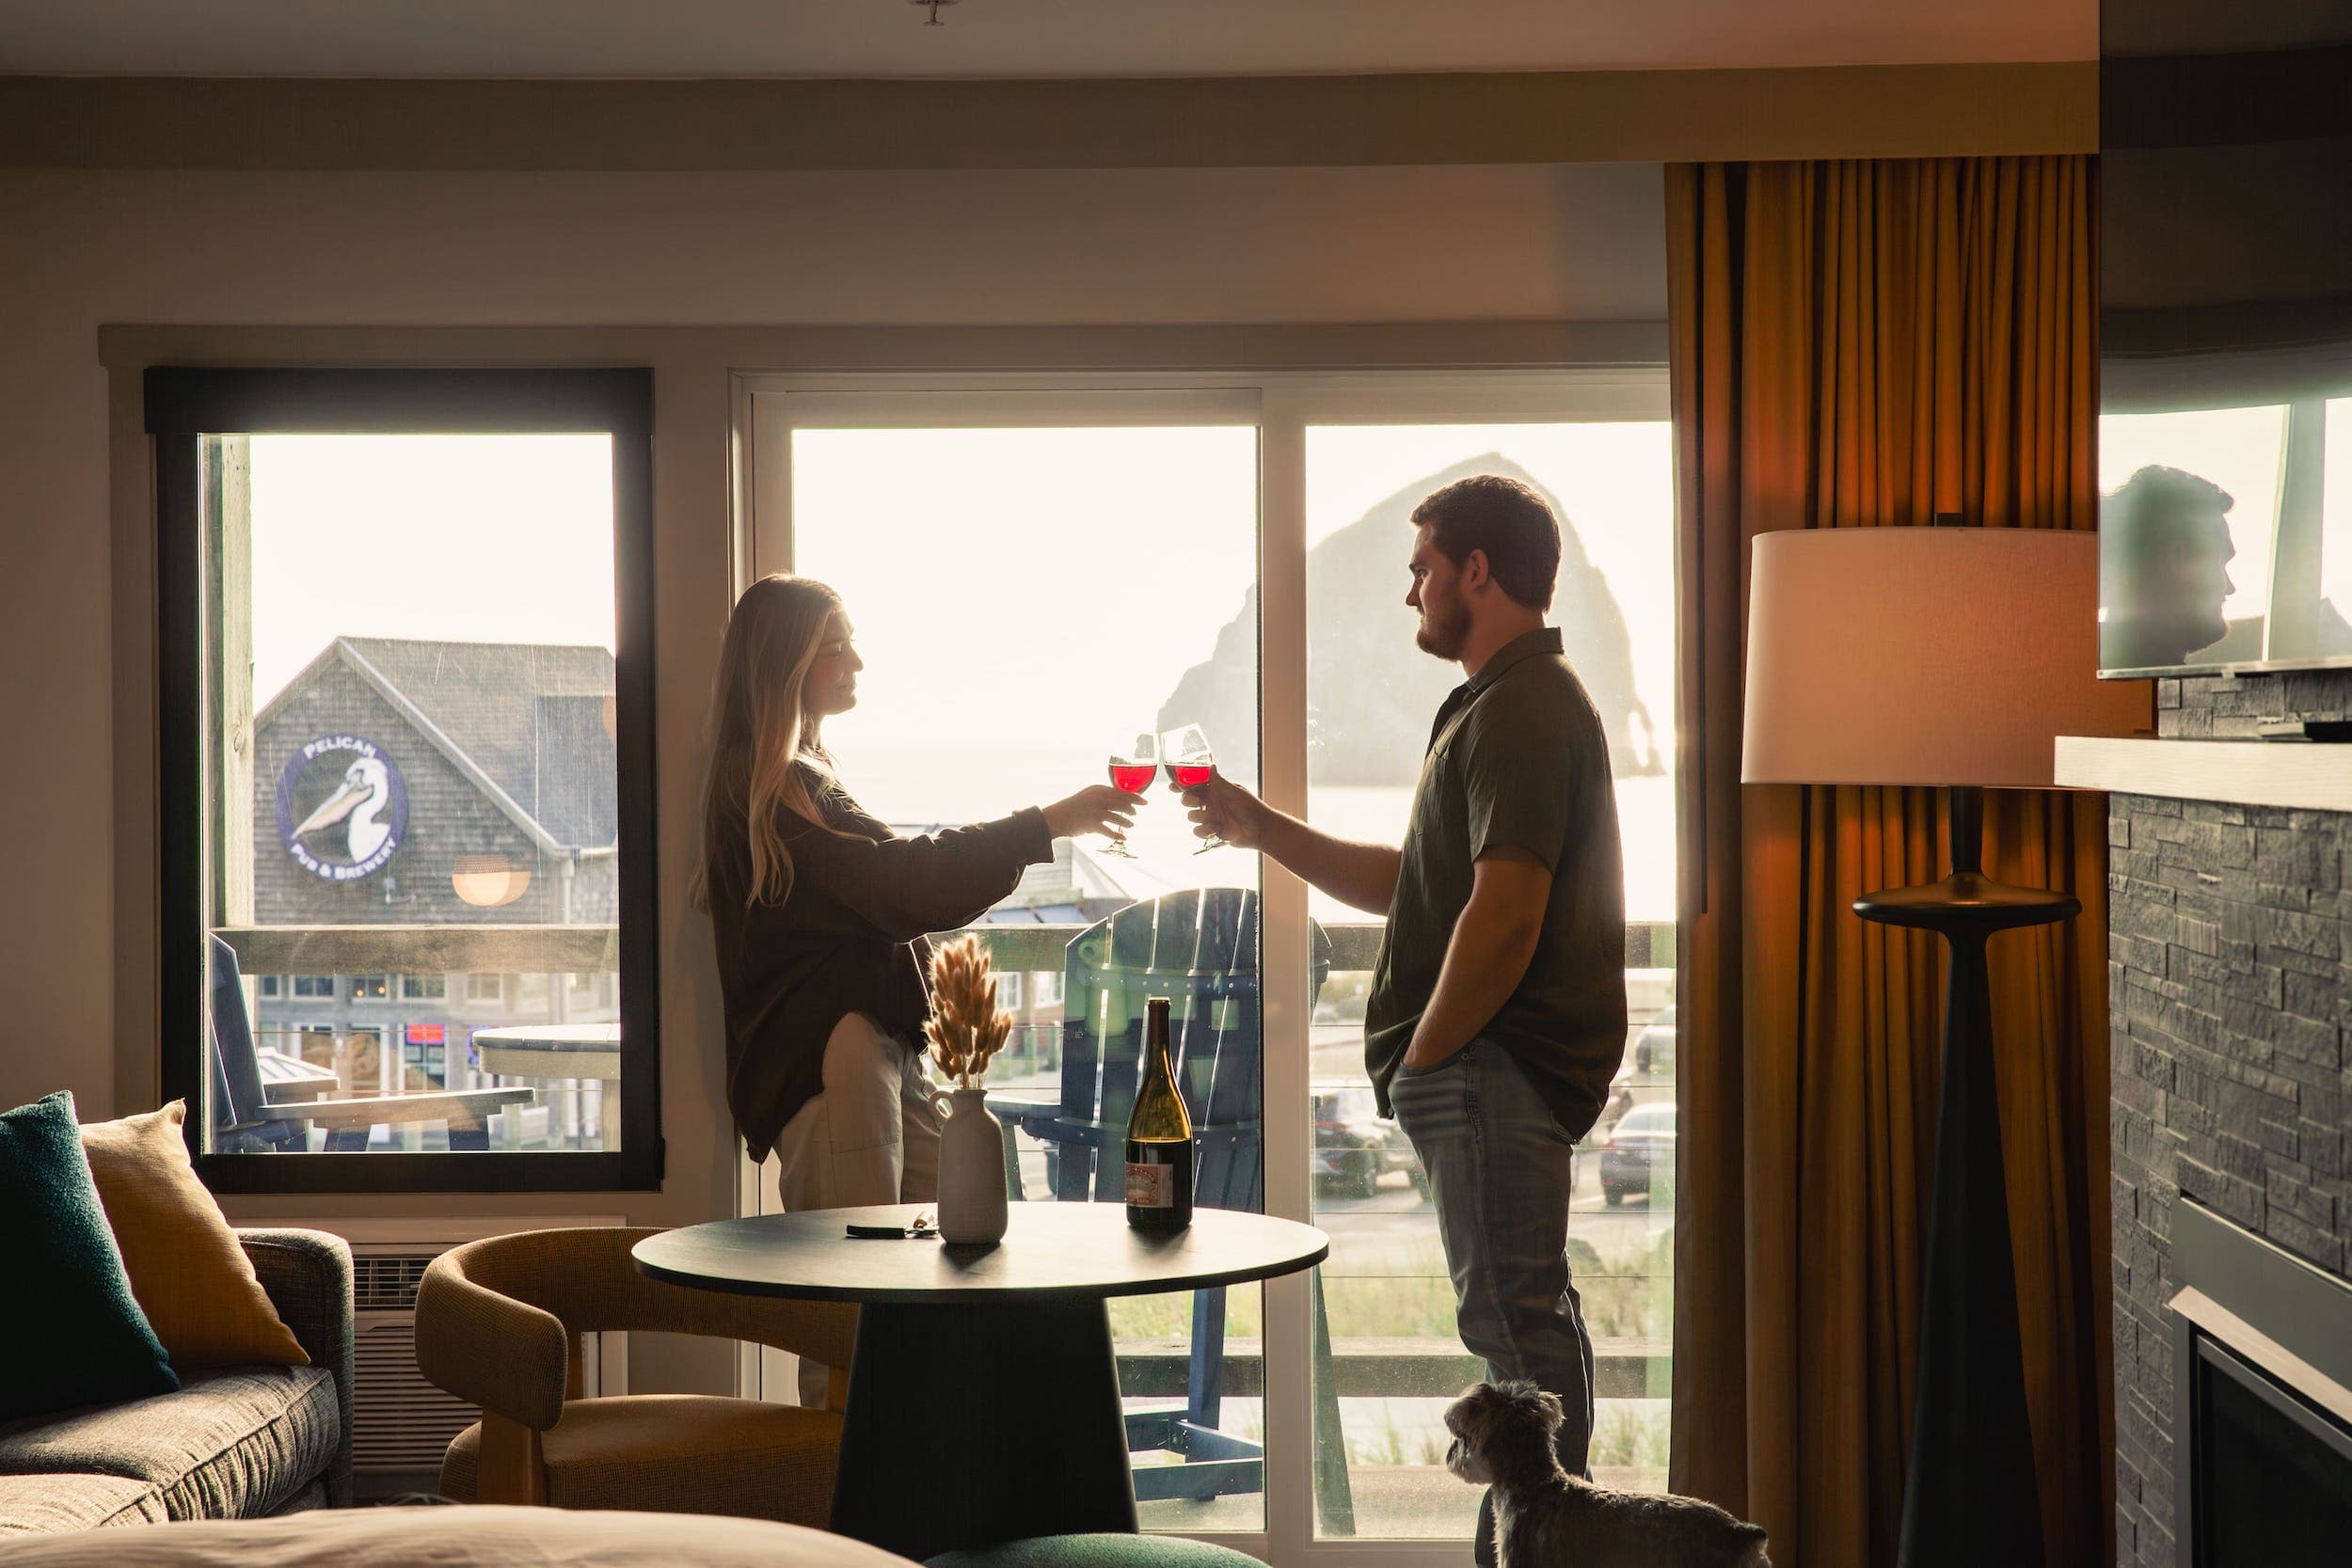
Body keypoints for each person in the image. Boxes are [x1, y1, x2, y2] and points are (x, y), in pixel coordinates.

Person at [1177, 474, 1625, 1564]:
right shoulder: (1495, 701)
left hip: (1489, 1069)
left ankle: (1536, 1551)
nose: (1410, 590)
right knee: (1532, 1324)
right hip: (1490, 1071)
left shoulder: (1522, 704)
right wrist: (1255, 824)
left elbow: (1506, 908)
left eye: (1422, 566)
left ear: (1479, 571)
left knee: (1514, 1334)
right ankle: (1544, 1547)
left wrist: (1427, 1054)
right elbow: (1411, 884)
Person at [693, 574, 1136, 1405]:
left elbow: (898, 887)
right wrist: (1046, 823)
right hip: (842, 1070)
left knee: (952, 1257)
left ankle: (932, 1486)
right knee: (853, 1310)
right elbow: (905, 885)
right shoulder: (780, 795)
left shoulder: (806, 778)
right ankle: (834, 1509)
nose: (856, 659)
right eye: (835, 647)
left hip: (878, 1059)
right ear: (788, 665)